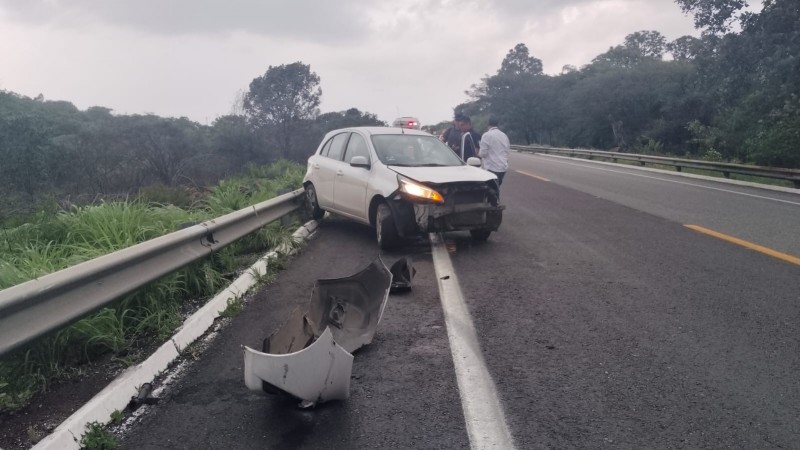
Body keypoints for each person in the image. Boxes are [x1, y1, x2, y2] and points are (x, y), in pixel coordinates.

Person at [479, 117, 510, 185]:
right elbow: (507, 151)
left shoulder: (486, 135)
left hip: (491, 168)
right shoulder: (504, 135)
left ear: (488, 124)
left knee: (490, 190)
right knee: (497, 188)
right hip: (503, 168)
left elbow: (482, 154)